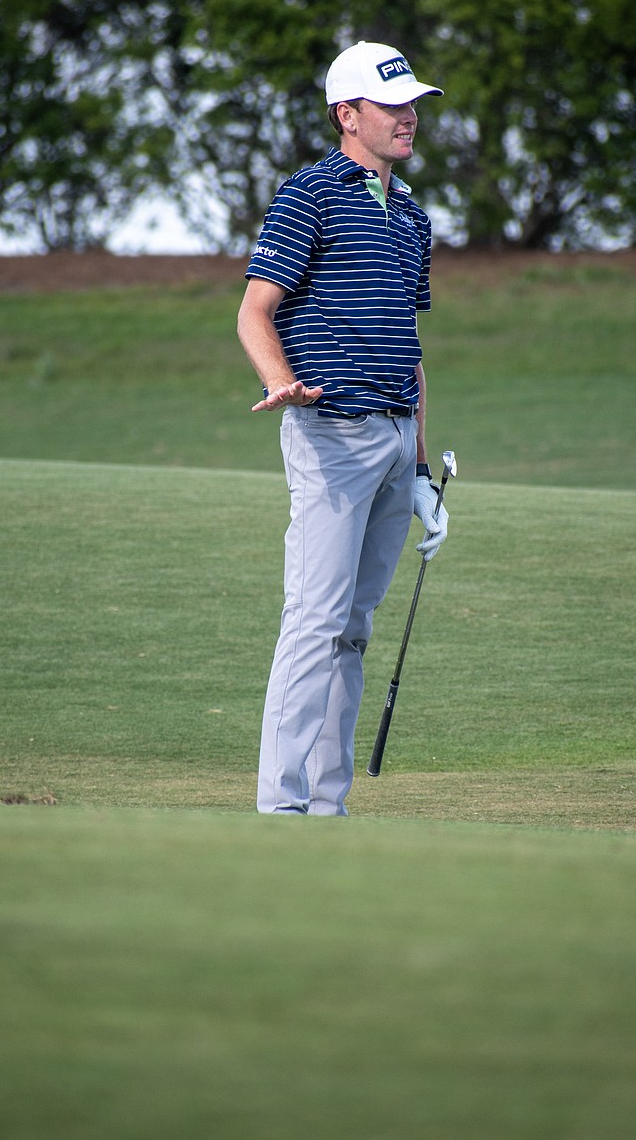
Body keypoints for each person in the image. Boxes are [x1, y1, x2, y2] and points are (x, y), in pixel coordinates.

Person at [236, 40, 449, 815]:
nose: (409, 118)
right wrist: (278, 380)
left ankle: (327, 805)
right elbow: (254, 311)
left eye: (413, 104)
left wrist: (423, 471)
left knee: (354, 628)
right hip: (331, 429)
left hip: (396, 437)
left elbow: (411, 348)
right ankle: (279, 806)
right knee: (316, 619)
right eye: (392, 106)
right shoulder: (310, 194)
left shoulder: (415, 216)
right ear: (346, 114)